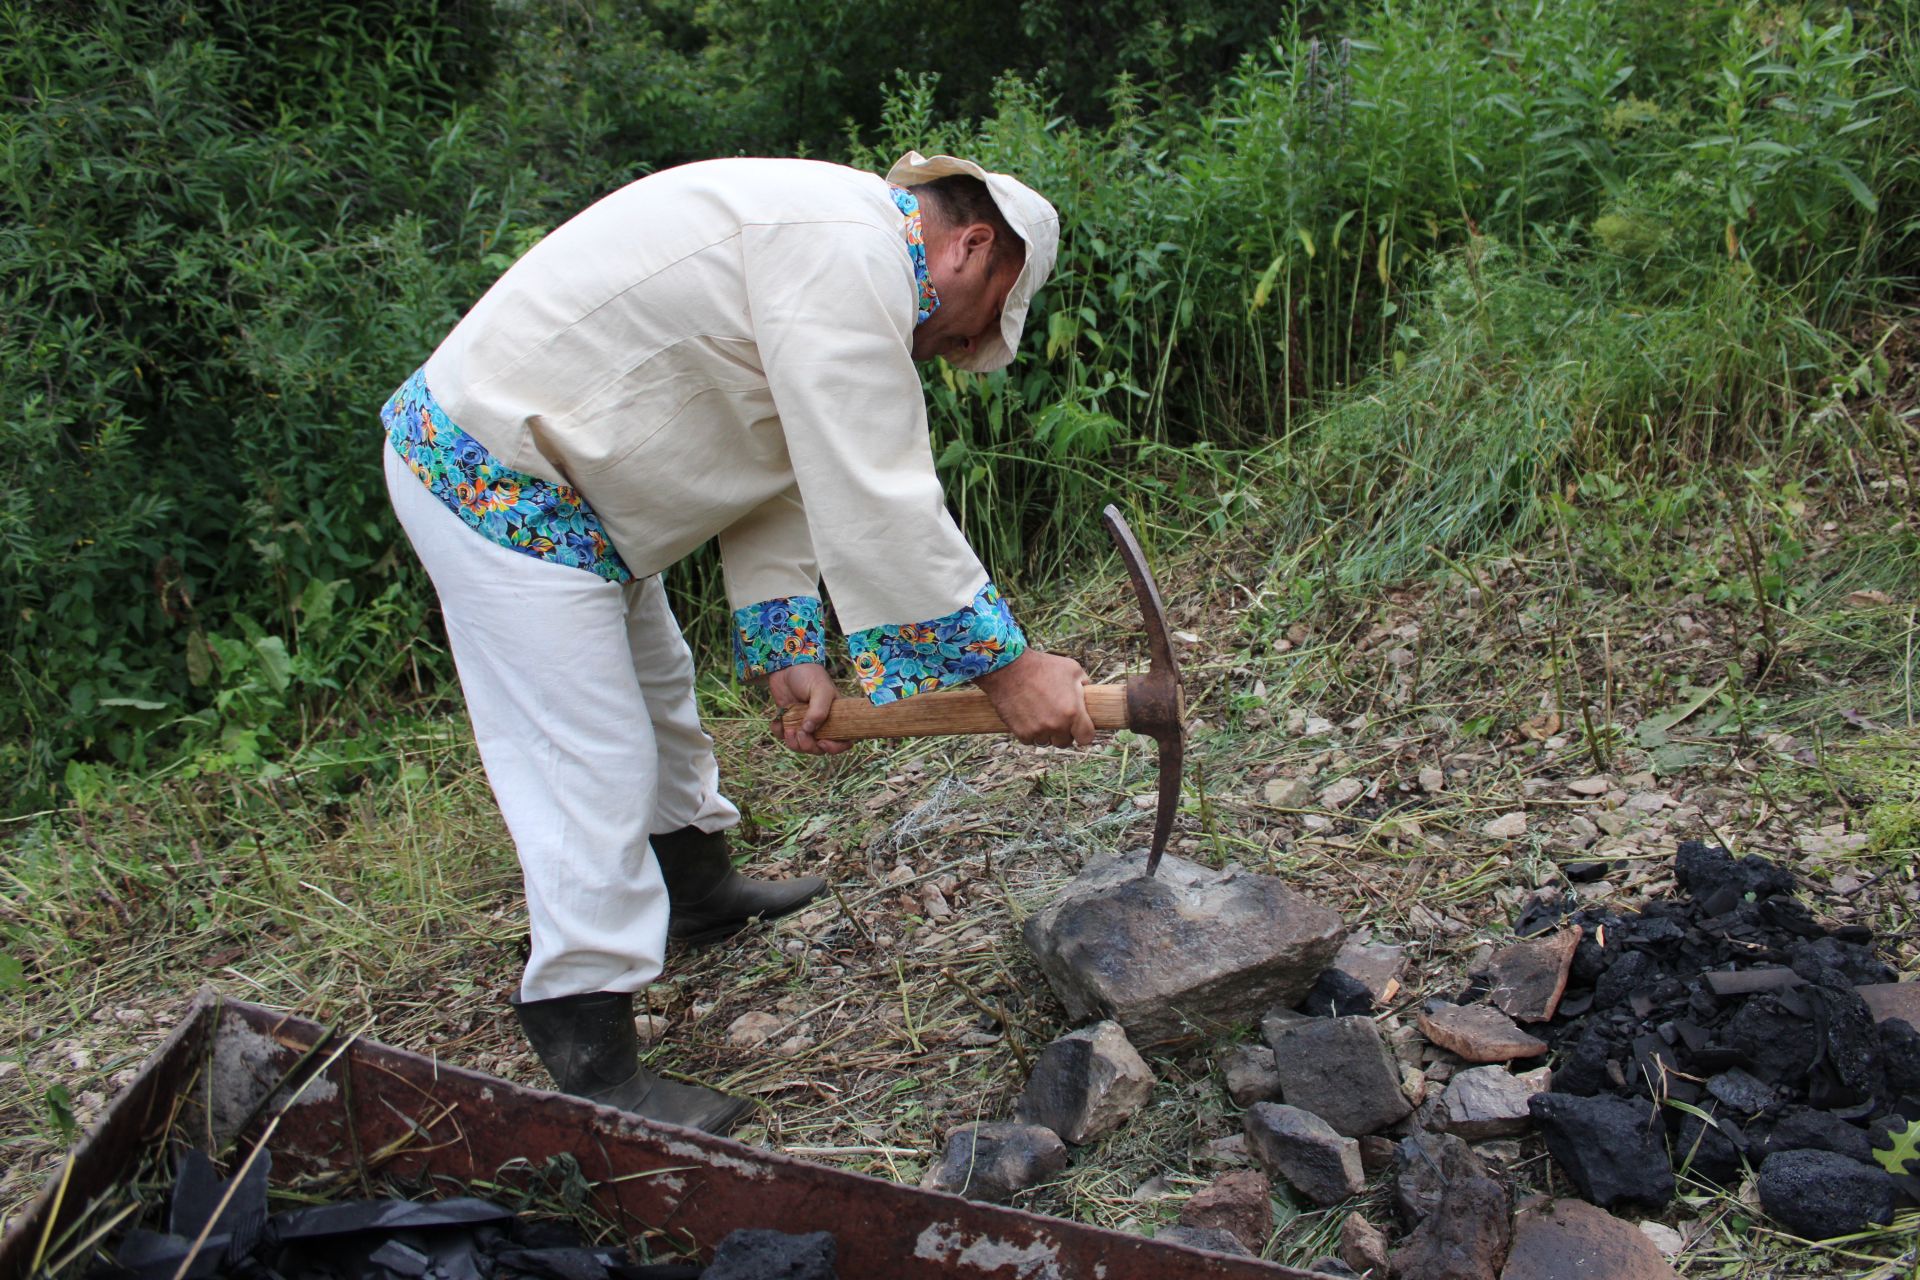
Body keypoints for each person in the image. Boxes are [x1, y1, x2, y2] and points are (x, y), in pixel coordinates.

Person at [380, 151, 1094, 1134]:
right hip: (491, 471)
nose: (961, 348)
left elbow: (786, 453)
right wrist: (1008, 668)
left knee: (661, 690)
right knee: (588, 756)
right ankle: (587, 1048)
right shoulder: (850, 252)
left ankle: (697, 893)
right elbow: (874, 485)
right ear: (973, 247)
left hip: (570, 490)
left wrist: (787, 642)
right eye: (982, 324)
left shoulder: (839, 243)